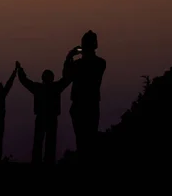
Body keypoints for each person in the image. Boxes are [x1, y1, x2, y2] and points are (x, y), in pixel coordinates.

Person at [62, 30, 107, 163]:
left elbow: (66, 76)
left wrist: (69, 57)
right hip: (91, 104)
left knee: (81, 139)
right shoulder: (101, 63)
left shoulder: (79, 65)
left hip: (80, 104)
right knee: (89, 138)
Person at [17, 61, 72, 164]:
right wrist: (69, 63)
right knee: (49, 142)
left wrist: (20, 70)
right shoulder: (56, 87)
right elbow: (67, 80)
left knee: (39, 142)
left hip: (42, 117)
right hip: (50, 118)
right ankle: (48, 161)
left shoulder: (39, 88)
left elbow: (25, 81)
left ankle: (38, 161)